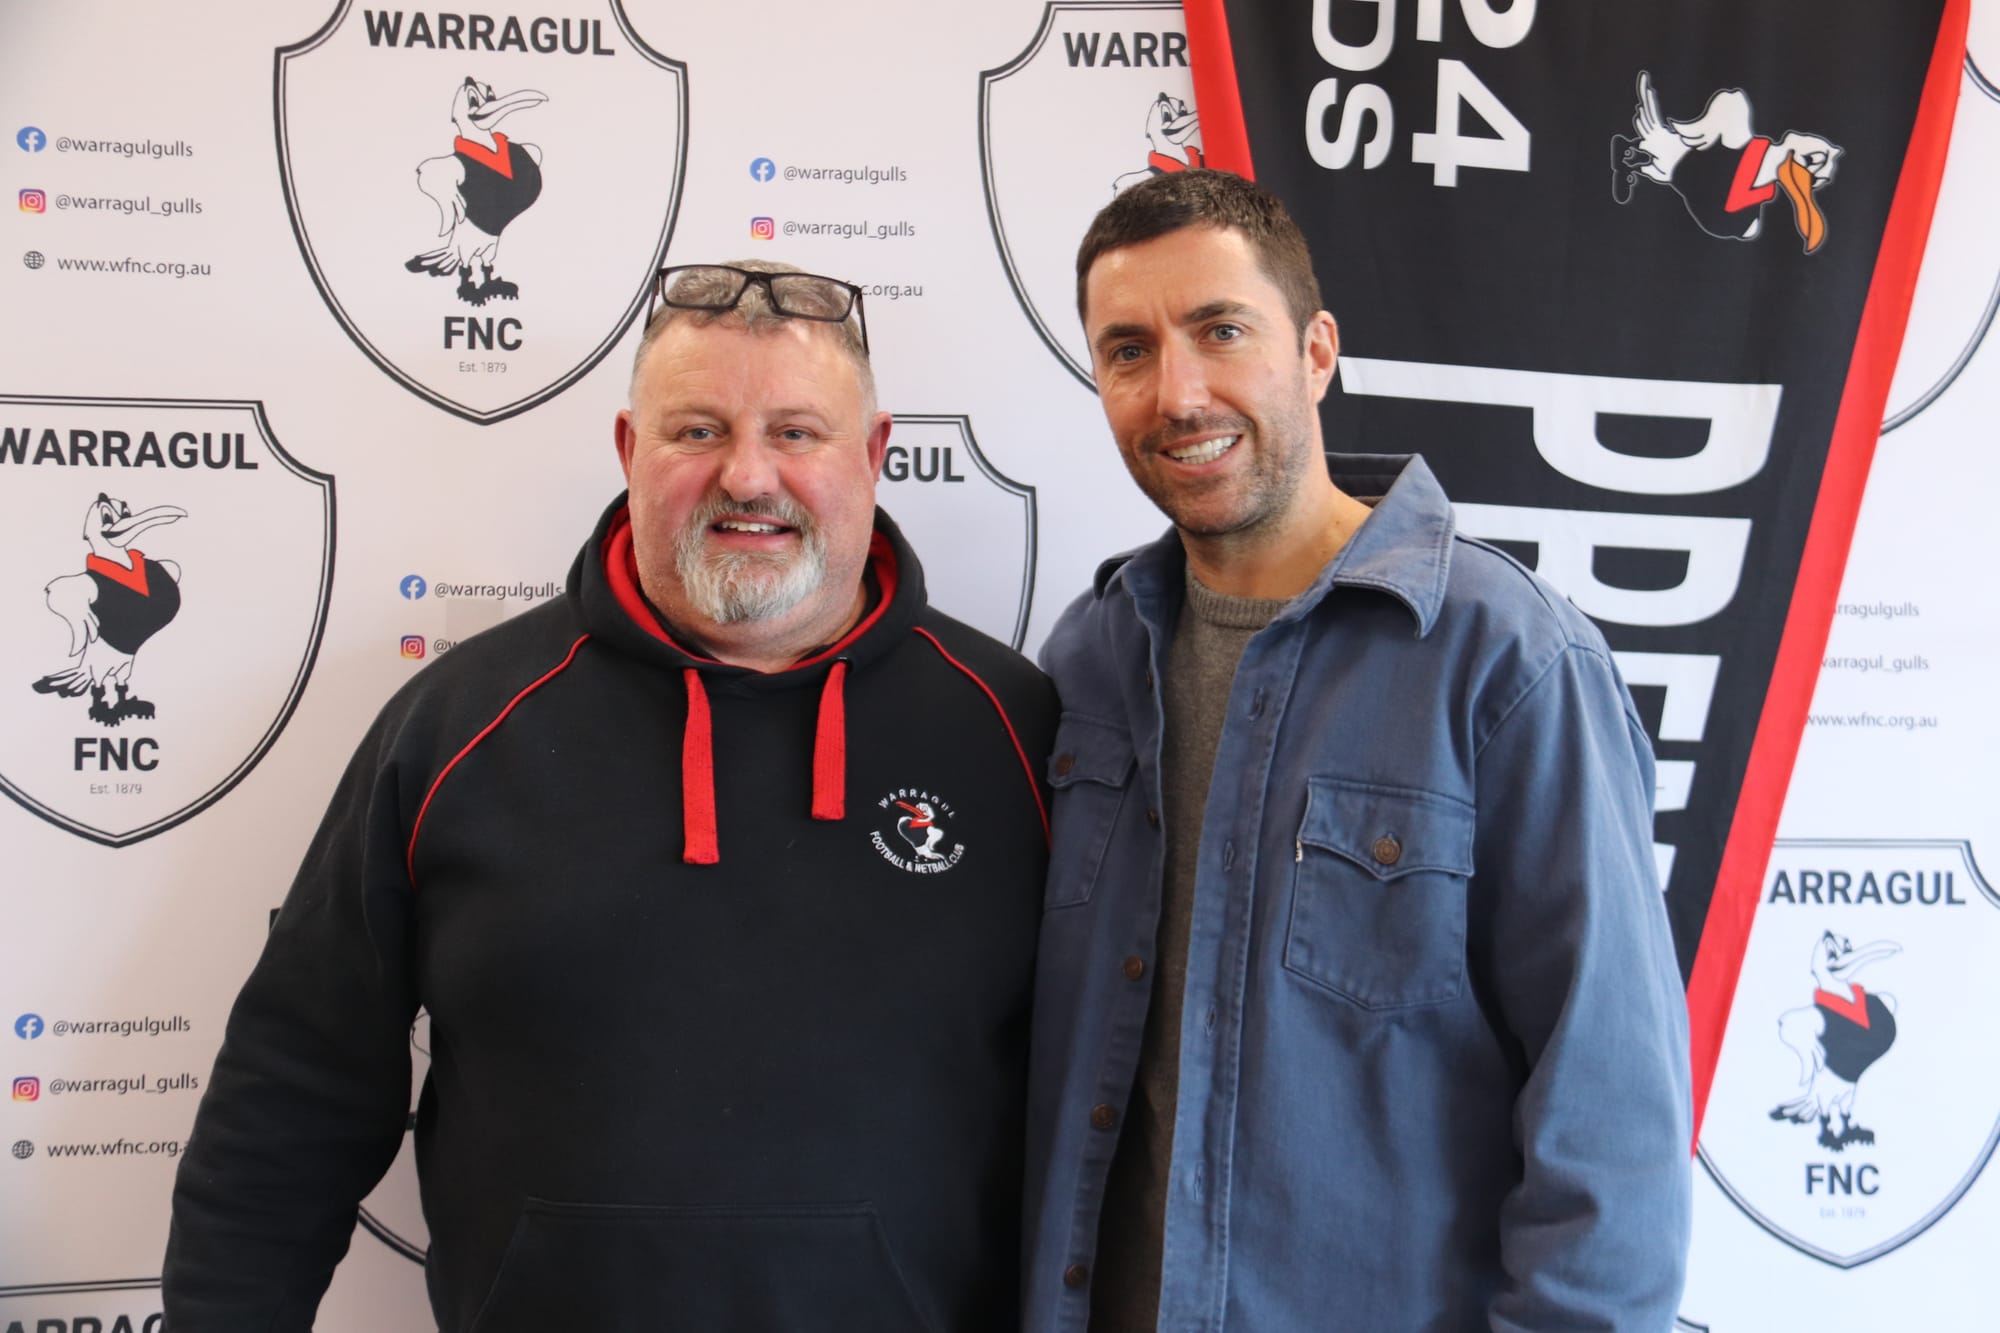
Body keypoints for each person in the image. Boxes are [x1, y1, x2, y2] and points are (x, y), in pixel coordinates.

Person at [165, 261, 1056, 1332]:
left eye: (796, 433)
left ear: (872, 455)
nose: (746, 476)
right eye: (696, 431)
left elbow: (1110, 1105)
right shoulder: (457, 728)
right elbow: (293, 1089)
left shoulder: (1016, 729)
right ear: (631, 450)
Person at [1023, 171, 1691, 1331]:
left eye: (1220, 331)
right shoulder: (1088, 656)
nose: (1177, 392)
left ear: (1315, 351)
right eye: (1127, 350)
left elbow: (1612, 1128)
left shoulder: (1509, 662)